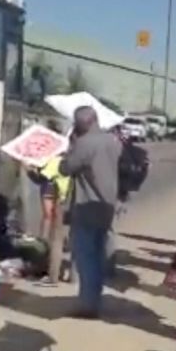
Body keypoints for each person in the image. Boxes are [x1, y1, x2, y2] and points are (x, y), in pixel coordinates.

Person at [58, 106, 122, 317]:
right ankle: (95, 298)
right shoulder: (112, 141)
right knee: (98, 252)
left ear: (79, 123)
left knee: (86, 257)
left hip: (87, 205)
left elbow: (66, 168)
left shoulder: (85, 144)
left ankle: (88, 305)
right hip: (107, 204)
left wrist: (69, 148)